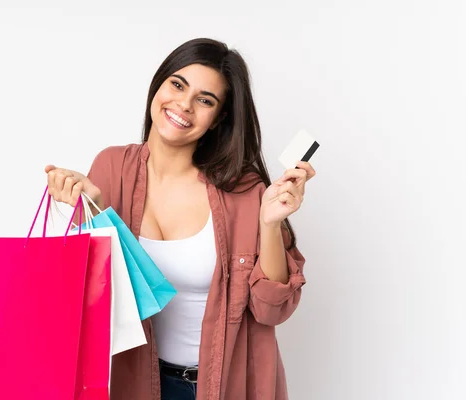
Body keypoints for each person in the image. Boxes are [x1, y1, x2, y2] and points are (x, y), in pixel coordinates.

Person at [45, 38, 315, 400]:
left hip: (224, 385)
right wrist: (93, 212)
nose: (183, 105)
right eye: (177, 84)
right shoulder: (112, 168)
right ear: (159, 84)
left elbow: (271, 309)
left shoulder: (244, 188)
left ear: (219, 118)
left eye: (205, 100)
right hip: (137, 383)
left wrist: (268, 224)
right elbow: (90, 302)